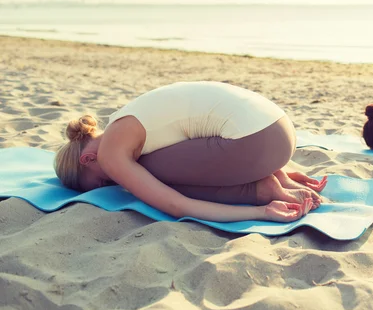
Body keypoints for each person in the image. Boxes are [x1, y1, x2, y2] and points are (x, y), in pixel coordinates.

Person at [54, 81, 327, 223]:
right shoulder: (124, 118)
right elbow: (210, 128)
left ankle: (261, 188)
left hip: (257, 144)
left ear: (87, 159)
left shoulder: (111, 153)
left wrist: (260, 212)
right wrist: (280, 167)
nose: (113, 182)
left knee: (148, 175)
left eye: (101, 181)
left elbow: (176, 205)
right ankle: (272, 176)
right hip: (281, 128)